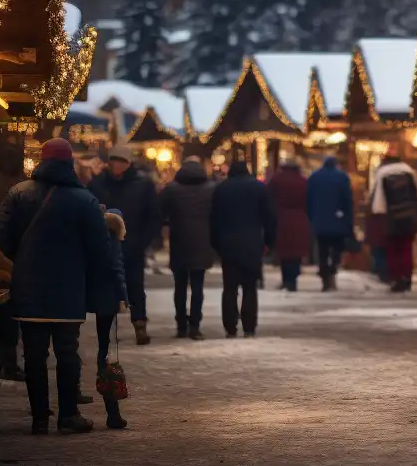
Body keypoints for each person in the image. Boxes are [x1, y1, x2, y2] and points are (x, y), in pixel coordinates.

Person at [0, 138, 114, 435]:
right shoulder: (84, 199)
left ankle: (38, 419)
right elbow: (100, 247)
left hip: (28, 287)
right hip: (69, 287)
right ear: (69, 162)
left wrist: (20, 262)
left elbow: (0, 237)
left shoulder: (18, 193)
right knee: (67, 351)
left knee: (33, 354)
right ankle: (68, 415)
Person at [89, 145, 160, 345]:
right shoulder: (98, 183)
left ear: (129, 164)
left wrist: (143, 242)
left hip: (133, 246)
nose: (117, 164)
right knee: (107, 288)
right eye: (114, 160)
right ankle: (106, 332)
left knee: (136, 287)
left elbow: (153, 216)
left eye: (122, 160)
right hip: (106, 246)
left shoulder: (142, 185)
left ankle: (139, 325)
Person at [210, 160, 276, 337]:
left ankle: (230, 327)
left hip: (228, 244)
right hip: (252, 244)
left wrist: (216, 244)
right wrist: (269, 242)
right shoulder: (259, 188)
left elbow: (213, 220)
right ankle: (249, 326)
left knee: (230, 288)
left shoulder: (221, 189)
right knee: (250, 287)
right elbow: (269, 218)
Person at [158, 156, 216, 339]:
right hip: (202, 242)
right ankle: (195, 326)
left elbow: (160, 211)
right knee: (197, 287)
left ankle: (181, 325)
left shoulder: (172, 189)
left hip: (179, 241)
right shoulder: (211, 189)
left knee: (180, 287)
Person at [0, 140, 27, 381]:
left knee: (4, 311)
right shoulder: (24, 183)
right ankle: (9, 362)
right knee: (13, 311)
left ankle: (3, 361)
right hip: (17, 251)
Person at [90, 209, 130, 429]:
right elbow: (117, 269)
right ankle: (112, 411)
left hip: (88, 298)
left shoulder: (94, 241)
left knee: (102, 351)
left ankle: (112, 411)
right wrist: (124, 297)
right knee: (106, 354)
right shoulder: (112, 241)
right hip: (107, 302)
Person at [370, 155, 417, 293]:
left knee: (393, 250)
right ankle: (407, 277)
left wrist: (379, 217)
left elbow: (379, 202)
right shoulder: (409, 172)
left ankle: (397, 279)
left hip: (391, 217)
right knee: (406, 249)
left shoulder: (382, 174)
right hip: (409, 216)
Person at [306, 156, 354, 292]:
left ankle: (324, 274)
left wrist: (311, 218)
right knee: (337, 249)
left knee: (322, 250)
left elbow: (308, 200)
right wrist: (349, 220)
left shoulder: (314, 177)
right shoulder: (342, 177)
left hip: (320, 221)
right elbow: (347, 200)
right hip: (338, 221)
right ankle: (333, 269)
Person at [268, 159, 309, 292]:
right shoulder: (303, 181)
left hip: (281, 219)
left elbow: (269, 198)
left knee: (284, 252)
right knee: (296, 253)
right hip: (299, 219)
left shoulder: (276, 180)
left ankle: (286, 280)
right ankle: (293, 280)